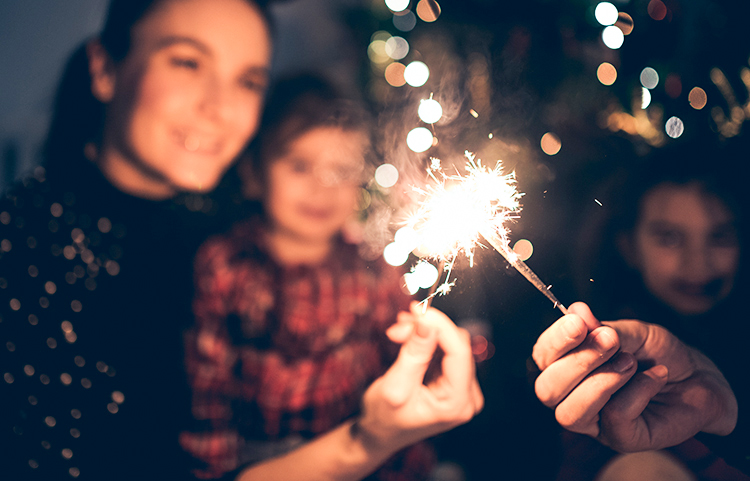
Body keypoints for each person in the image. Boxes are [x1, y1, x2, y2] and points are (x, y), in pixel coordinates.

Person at [0, 0, 273, 479]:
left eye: (248, 81)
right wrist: (360, 444)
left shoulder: (243, 234)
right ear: (105, 68)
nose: (221, 108)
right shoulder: (22, 252)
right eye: (188, 62)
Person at [179, 76, 483, 480]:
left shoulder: (374, 268)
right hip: (260, 463)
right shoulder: (225, 266)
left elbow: (402, 377)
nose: (322, 187)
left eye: (341, 170)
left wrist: (427, 351)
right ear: (253, 172)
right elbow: (207, 396)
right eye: (300, 166)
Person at [532, 139, 750, 479]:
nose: (698, 263)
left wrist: (727, 412)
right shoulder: (611, 355)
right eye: (670, 238)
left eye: (720, 236)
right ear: (629, 246)